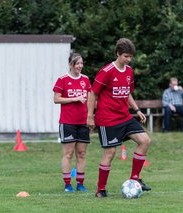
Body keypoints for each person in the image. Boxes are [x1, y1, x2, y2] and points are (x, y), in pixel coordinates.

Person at [87, 38, 151, 198]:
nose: (128, 60)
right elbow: (93, 93)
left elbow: (127, 92)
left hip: (124, 117)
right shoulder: (107, 71)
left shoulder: (129, 71)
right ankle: (100, 189)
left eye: (130, 57)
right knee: (110, 152)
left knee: (145, 141)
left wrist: (137, 110)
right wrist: (90, 116)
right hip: (107, 119)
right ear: (118, 54)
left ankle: (135, 179)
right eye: (125, 56)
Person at [53, 52, 91, 193]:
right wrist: (74, 99)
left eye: (81, 63)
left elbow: (90, 99)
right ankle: (67, 184)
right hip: (67, 122)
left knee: (81, 154)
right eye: (77, 63)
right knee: (68, 154)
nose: (80, 66)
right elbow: (56, 99)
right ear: (71, 65)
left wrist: (91, 117)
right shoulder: (62, 80)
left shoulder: (86, 80)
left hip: (83, 122)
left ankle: (80, 184)